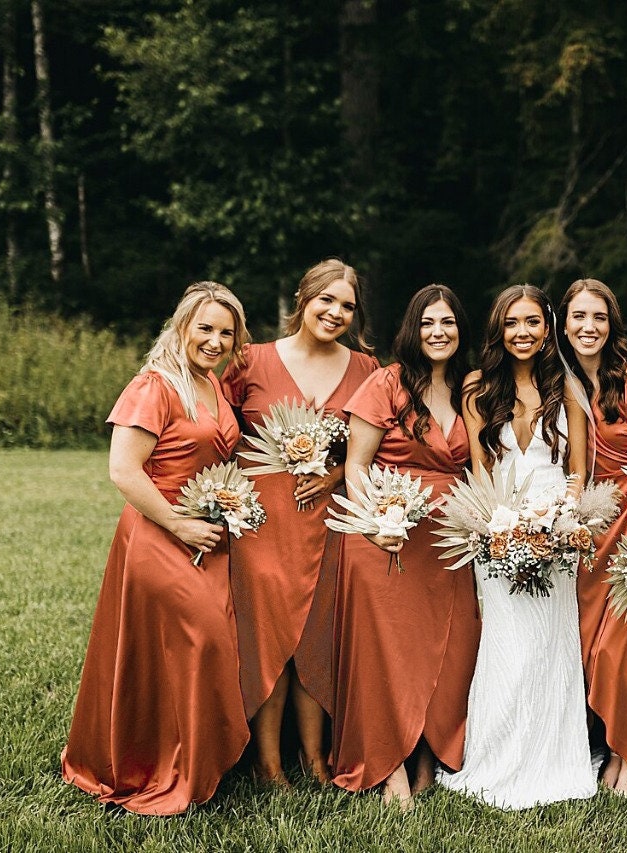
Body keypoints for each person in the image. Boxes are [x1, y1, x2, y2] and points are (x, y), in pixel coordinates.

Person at [61, 282, 252, 815]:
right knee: (201, 640)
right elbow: (122, 470)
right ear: (182, 326)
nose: (214, 340)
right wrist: (180, 525)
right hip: (156, 533)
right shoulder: (156, 385)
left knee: (196, 649)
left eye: (225, 332)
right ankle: (149, 765)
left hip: (206, 537)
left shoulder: (212, 384)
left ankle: (190, 759)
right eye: (205, 328)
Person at [318, 285, 480, 809]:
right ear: (413, 329)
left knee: (452, 650)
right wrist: (376, 521)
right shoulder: (384, 384)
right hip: (387, 535)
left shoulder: (470, 387)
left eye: (449, 323)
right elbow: (359, 466)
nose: (439, 332)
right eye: (429, 322)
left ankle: (429, 756)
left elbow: (479, 465)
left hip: (449, 543)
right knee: (387, 652)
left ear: (461, 331)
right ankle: (387, 765)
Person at [437, 284, 597, 809]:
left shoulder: (567, 387)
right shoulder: (478, 387)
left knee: (551, 644)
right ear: (498, 330)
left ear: (547, 328)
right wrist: (497, 527)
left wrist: (560, 520)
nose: (523, 333)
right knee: (506, 642)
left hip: (556, 534)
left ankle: (553, 756)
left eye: (532, 322)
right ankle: (496, 756)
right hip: (498, 528)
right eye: (512, 323)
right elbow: (480, 470)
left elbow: (578, 470)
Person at [222, 259, 379, 786]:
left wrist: (336, 475)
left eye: (347, 306)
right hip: (261, 521)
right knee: (269, 635)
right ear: (303, 299)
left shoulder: (366, 369)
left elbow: (374, 450)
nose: (336, 313)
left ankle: (314, 756)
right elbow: (217, 429)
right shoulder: (249, 360)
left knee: (318, 634)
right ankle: (268, 762)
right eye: (326, 300)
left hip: (327, 521)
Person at [556, 279, 627, 794]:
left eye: (598, 317)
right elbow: (579, 466)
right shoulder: (572, 382)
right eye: (578, 317)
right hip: (596, 523)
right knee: (592, 645)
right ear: (564, 323)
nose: (588, 327)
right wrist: (574, 519)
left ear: (612, 324)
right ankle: (604, 746)